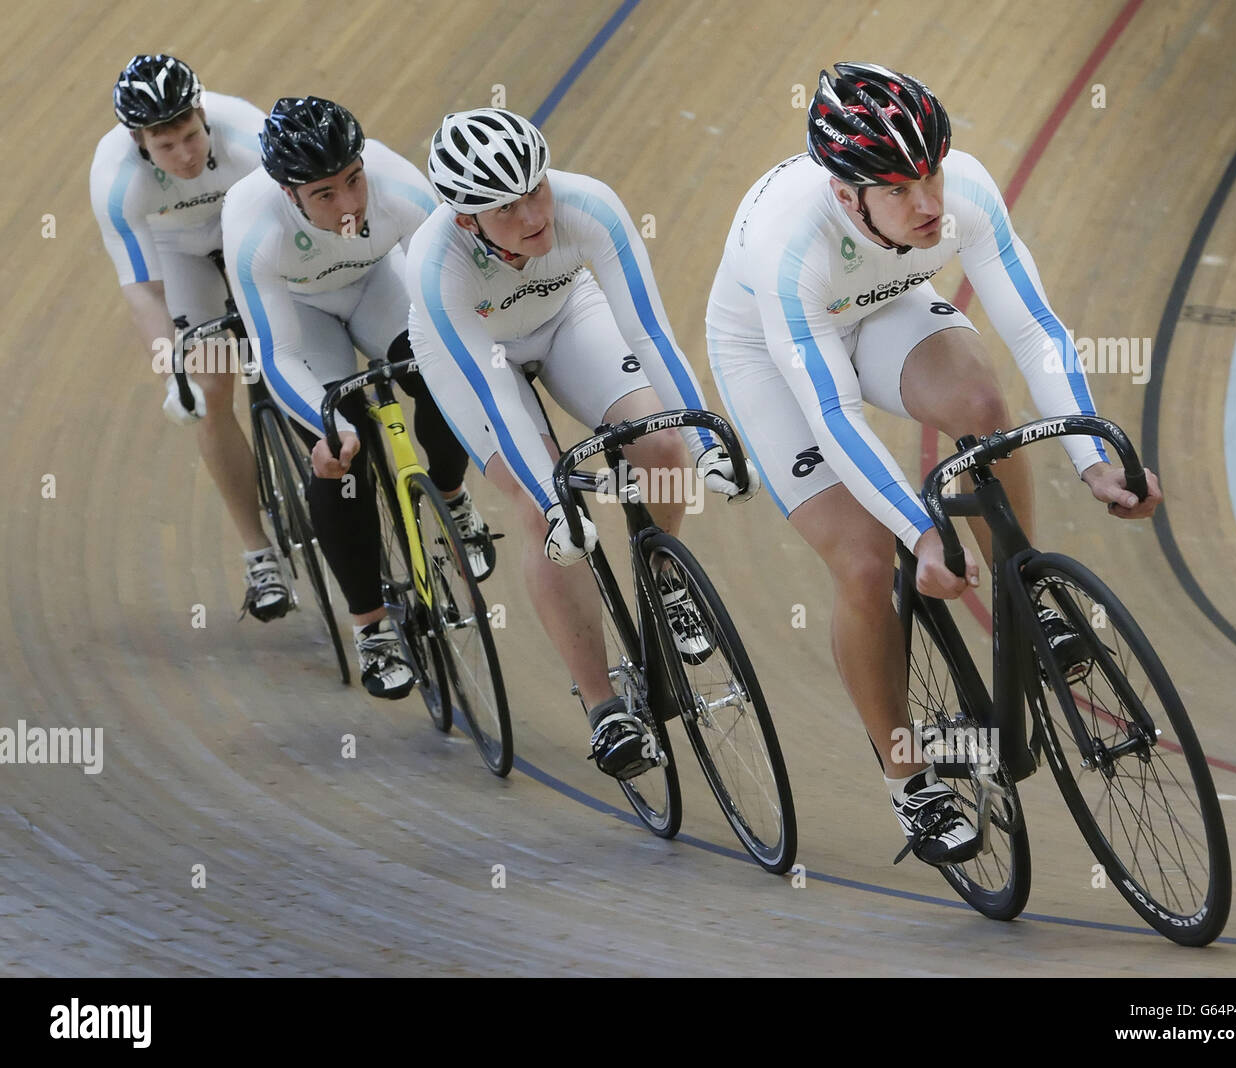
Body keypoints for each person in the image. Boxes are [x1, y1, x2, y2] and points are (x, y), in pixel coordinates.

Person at [705, 62, 1163, 864]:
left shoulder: (965, 194)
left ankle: (1026, 598)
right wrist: (918, 533)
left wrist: (1094, 458)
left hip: (882, 304)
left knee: (984, 411)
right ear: (848, 196)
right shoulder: (789, 249)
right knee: (862, 557)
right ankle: (909, 775)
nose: (930, 204)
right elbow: (834, 414)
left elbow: (1035, 331)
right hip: (775, 357)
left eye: (933, 176)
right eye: (900, 189)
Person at [408, 108, 757, 778]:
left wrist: (703, 433)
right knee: (546, 512)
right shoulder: (436, 266)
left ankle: (662, 577)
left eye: (536, 190)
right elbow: (496, 395)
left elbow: (650, 333)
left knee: (660, 449)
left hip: (566, 312)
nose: (533, 215)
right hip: (480, 359)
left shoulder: (589, 205)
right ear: (466, 221)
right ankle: (606, 709)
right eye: (504, 209)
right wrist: (552, 496)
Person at [222, 96, 493, 699]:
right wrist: (325, 427)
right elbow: (279, 355)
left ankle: (451, 497)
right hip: (301, 318)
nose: (348, 206)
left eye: (353, 180)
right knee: (343, 458)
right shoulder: (252, 228)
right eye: (324, 194)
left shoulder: (404, 189)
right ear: (288, 193)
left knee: (440, 376)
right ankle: (371, 626)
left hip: (377, 286)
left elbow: (454, 296)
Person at [90, 54, 289, 621]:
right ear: (138, 141)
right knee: (210, 393)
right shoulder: (115, 181)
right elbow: (145, 290)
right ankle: (259, 555)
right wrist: (171, 375)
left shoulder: (250, 135)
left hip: (250, 231)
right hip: (179, 255)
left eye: (189, 136)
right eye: (165, 146)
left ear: (203, 114)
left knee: (296, 345)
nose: (185, 155)